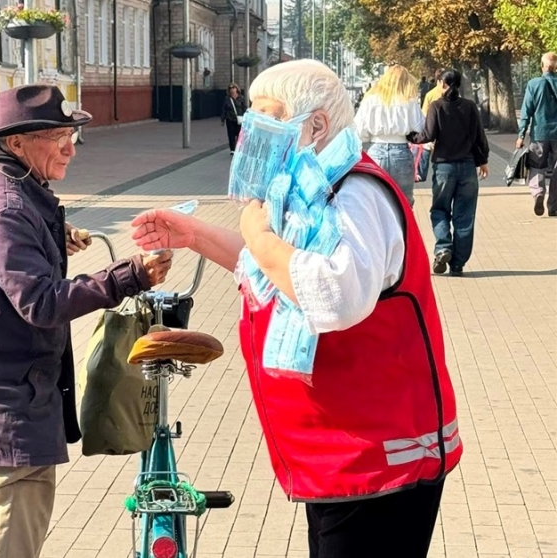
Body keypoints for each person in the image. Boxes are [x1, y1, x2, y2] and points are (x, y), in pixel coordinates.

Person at [132, 59, 462, 558]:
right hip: (339, 457)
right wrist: (195, 235)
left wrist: (259, 236)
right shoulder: (312, 193)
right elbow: (275, 270)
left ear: (316, 125)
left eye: (267, 116)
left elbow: (332, 295)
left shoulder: (355, 195)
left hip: (380, 461)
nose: (253, 131)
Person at [0, 85, 173, 558]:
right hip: (2, 392)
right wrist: (128, 276)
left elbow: (4, 238)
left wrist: (54, 233)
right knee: (11, 514)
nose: (69, 147)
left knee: (5, 504)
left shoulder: (3, 183)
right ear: (16, 143)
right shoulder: (7, 206)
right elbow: (40, 301)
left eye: (71, 135)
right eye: (56, 136)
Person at [408, 69, 489, 277]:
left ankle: (443, 247)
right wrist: (483, 161)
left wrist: (410, 136)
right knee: (465, 216)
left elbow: (428, 135)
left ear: (443, 83)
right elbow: (480, 137)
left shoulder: (436, 107)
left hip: (444, 167)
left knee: (440, 210)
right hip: (468, 167)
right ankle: (458, 264)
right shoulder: (470, 107)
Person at [355, 64, 424, 206]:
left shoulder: (371, 99)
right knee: (404, 202)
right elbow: (420, 126)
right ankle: (401, 228)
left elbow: (359, 130)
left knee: (377, 201)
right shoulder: (408, 100)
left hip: (376, 150)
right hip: (401, 151)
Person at [516, 52, 557, 216]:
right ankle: (554, 206)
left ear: (542, 66)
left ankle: (538, 192)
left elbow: (526, 111)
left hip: (539, 133)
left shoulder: (533, 84)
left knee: (537, 165)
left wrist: (521, 135)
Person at [416, 68, 448, 183]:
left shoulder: (430, 94)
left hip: (433, 131)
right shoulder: (454, 94)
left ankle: (423, 174)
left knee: (429, 153)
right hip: (447, 133)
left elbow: (424, 114)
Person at [222, 83, 247, 154]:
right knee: (231, 134)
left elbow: (244, 108)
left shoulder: (241, 98)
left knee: (239, 134)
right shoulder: (227, 98)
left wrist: (245, 116)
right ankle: (232, 149)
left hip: (239, 119)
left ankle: (239, 147)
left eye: (233, 87)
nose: (232, 89)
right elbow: (224, 109)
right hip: (230, 118)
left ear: (236, 88)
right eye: (230, 88)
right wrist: (222, 119)